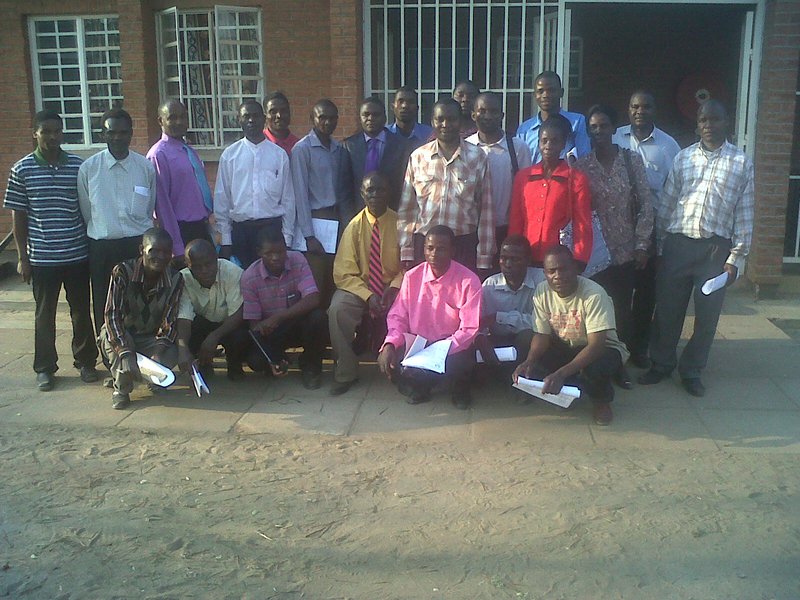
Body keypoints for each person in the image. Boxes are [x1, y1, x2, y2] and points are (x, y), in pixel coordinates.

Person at [639, 100, 754, 397]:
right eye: (703, 119)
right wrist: (662, 247)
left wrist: (736, 258)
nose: (708, 125)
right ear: (697, 124)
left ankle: (691, 371)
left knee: (707, 317)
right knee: (667, 310)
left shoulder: (741, 163)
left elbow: (744, 212)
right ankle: (661, 364)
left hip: (715, 252)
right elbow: (666, 203)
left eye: (715, 119)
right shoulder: (683, 158)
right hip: (677, 245)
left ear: (726, 121)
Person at [3, 109, 98, 391]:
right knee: (44, 315)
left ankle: (86, 362)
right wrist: (23, 258)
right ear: (35, 133)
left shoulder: (78, 167)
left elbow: (86, 209)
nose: (52, 137)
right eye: (46, 131)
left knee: (81, 311)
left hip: (77, 254)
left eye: (57, 131)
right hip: (43, 257)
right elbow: (18, 217)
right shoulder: (22, 169)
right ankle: (45, 368)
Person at [575, 104, 653, 389]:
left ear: (613, 128)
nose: (598, 132)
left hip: (625, 251)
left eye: (603, 125)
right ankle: (596, 362)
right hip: (595, 254)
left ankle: (619, 364)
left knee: (621, 309)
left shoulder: (630, 162)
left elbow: (646, 205)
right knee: (596, 312)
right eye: (593, 128)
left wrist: (642, 244)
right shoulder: (582, 166)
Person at [513, 245, 629, 426]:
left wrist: (561, 373)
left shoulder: (594, 295)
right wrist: (529, 361)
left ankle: (601, 402)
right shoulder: (542, 291)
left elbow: (596, 345)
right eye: (552, 271)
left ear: (575, 268)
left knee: (595, 366)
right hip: (566, 343)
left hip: (601, 348)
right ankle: (570, 386)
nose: (558, 276)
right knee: (524, 339)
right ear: (545, 274)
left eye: (563, 269)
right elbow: (541, 335)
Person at [378, 226, 482, 409]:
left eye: (441, 249)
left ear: (453, 251)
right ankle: (423, 385)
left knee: (462, 364)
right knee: (395, 365)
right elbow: (398, 316)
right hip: (419, 345)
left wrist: (440, 350)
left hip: (451, 347)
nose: (434, 254)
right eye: (429, 248)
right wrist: (390, 344)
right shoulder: (412, 277)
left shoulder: (468, 281)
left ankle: (459, 390)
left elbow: (469, 329)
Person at [613, 91, 682, 368]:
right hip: (617, 228)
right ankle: (617, 345)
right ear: (628, 110)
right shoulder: (615, 137)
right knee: (619, 292)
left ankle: (639, 347)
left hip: (650, 227)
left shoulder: (668, 146)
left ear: (654, 109)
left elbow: (675, 190)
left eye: (646, 106)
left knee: (644, 293)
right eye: (634, 106)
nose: (640, 111)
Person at [79, 107, 156, 336]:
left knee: (138, 299)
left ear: (131, 133)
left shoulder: (145, 167)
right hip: (103, 247)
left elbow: (149, 207)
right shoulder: (89, 169)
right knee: (104, 300)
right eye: (111, 133)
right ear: (103, 134)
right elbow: (87, 212)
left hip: (136, 246)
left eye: (123, 132)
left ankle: (139, 348)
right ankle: (109, 350)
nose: (117, 137)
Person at [397, 98, 495, 274]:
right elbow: (408, 210)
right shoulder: (418, 157)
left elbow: (486, 211)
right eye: (440, 119)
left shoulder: (478, 157)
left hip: (463, 245)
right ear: (432, 121)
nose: (445, 124)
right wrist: (406, 250)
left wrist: (484, 257)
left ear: (461, 122)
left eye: (451, 119)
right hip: (426, 246)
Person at [328, 172, 403, 395]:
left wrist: (395, 286)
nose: (376, 195)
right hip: (360, 289)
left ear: (389, 192)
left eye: (381, 190)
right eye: (370, 190)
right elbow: (343, 273)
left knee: (413, 306)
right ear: (362, 193)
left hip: (394, 288)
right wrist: (368, 295)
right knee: (338, 309)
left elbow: (409, 265)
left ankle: (403, 368)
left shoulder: (402, 224)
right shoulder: (353, 227)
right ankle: (346, 372)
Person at [99, 228, 184, 410]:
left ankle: (151, 379)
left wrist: (158, 354)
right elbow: (112, 315)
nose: (160, 257)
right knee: (110, 338)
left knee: (173, 352)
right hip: (124, 333)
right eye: (154, 250)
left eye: (166, 252)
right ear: (142, 250)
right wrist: (125, 352)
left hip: (150, 338)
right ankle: (121, 389)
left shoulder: (176, 279)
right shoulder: (122, 272)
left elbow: (169, 322)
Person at [241, 227, 327, 390]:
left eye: (280, 252)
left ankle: (311, 366)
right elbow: (254, 326)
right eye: (269, 253)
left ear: (286, 247)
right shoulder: (249, 278)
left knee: (318, 318)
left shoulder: (298, 259)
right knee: (256, 361)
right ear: (259, 252)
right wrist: (271, 357)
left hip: (297, 323)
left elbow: (313, 298)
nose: (276, 258)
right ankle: (279, 361)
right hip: (272, 332)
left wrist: (278, 317)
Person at [214, 100, 296, 268]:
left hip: (271, 228)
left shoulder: (279, 155)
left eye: (256, 116)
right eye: (246, 116)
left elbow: (288, 199)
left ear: (264, 119)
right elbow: (222, 198)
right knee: (243, 280)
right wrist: (226, 240)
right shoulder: (230, 155)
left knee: (273, 281)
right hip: (241, 231)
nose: (251, 120)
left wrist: (287, 238)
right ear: (239, 120)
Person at [291, 99, 352, 309]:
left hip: (337, 220)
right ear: (312, 119)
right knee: (315, 282)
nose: (327, 122)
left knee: (335, 278)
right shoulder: (302, 150)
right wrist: (309, 235)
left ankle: (329, 333)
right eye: (322, 117)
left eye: (332, 118)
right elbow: (300, 194)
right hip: (315, 222)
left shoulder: (339, 148)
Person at [508, 115, 592, 267]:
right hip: (526, 256)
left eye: (555, 141)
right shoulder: (524, 177)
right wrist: (514, 253)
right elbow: (516, 219)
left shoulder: (576, 179)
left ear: (563, 144)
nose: (548, 145)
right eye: (544, 140)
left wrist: (580, 258)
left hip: (559, 259)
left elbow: (582, 223)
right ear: (538, 142)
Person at [147, 99, 213, 266]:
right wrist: (176, 247)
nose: (179, 122)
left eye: (183, 117)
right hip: (181, 231)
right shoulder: (158, 154)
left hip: (200, 227)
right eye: (172, 117)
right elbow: (162, 206)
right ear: (160, 121)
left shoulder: (188, 150)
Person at [466, 92, 532, 254]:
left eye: (493, 111)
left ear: (502, 115)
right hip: (472, 230)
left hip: (507, 229)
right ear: (473, 115)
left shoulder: (517, 147)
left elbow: (526, 191)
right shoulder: (465, 148)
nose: (487, 116)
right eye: (482, 111)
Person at [176, 239, 250, 382]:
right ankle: (203, 364)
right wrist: (183, 349)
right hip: (202, 323)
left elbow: (238, 313)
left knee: (241, 334)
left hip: (229, 323)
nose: (204, 270)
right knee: (189, 331)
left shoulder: (232, 272)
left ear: (216, 259)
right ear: (188, 265)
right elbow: (184, 318)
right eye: (197, 267)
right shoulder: (181, 279)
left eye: (208, 264)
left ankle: (235, 364)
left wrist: (214, 337)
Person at [475, 235, 544, 372]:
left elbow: (542, 323)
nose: (507, 264)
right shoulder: (489, 285)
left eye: (515, 259)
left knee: (528, 336)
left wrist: (499, 317)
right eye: (504, 258)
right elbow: (478, 324)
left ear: (527, 260)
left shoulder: (541, 281)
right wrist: (480, 338)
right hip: (498, 339)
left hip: (527, 341)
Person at [343, 96, 411, 212]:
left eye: (376, 115)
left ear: (385, 117)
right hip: (359, 215)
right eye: (366, 114)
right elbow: (344, 189)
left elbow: (404, 185)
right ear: (360, 118)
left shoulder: (401, 145)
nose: (370, 118)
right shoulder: (349, 146)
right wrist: (348, 220)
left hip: (391, 214)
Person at [516, 71, 591, 164]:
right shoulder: (524, 129)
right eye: (540, 91)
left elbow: (584, 158)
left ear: (561, 92)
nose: (545, 95)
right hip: (533, 177)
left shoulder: (577, 122)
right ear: (534, 95)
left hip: (568, 177)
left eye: (551, 90)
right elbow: (519, 164)